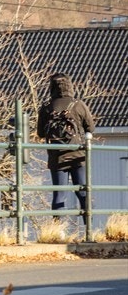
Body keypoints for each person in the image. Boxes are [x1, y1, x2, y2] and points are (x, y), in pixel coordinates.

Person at [37, 72, 95, 218]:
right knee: (83, 192)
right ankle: (89, 230)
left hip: (56, 156)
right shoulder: (78, 105)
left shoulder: (46, 107)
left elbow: (41, 133)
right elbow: (91, 128)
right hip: (78, 156)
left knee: (59, 194)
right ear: (69, 86)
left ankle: (57, 231)